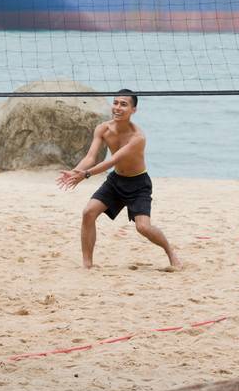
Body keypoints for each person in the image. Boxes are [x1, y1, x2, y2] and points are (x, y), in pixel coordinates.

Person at [57, 90, 180, 270]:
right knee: (88, 212)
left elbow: (113, 160)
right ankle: (87, 264)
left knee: (143, 228)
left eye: (123, 104)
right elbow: (91, 157)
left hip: (138, 184)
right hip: (116, 181)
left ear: (133, 110)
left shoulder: (138, 137)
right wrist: (76, 171)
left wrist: (85, 175)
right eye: (115, 103)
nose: (117, 107)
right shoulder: (103, 129)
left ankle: (171, 253)